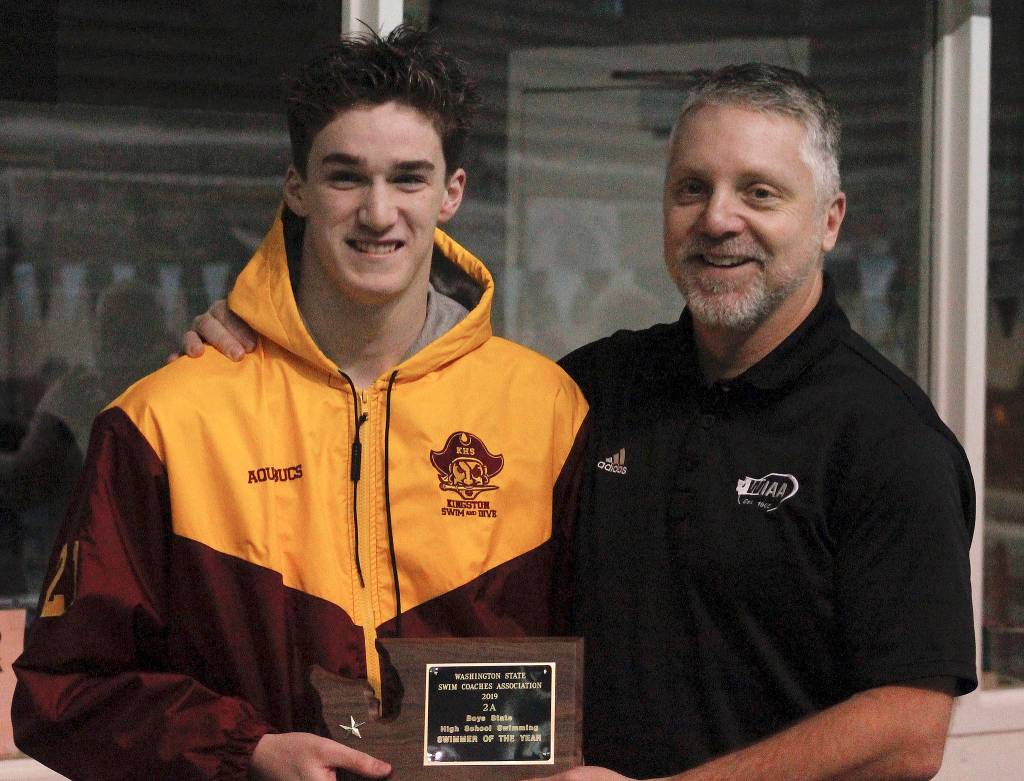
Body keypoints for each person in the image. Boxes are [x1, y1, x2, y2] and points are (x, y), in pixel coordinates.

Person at [190, 63, 977, 780]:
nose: (718, 219)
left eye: (760, 192)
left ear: (831, 219)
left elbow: (908, 729)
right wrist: (270, 341)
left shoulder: (888, 437)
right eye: (691, 188)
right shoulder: (594, 389)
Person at [12, 27, 588, 781]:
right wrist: (242, 749)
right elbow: (63, 691)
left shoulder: (547, 408)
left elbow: (623, 667)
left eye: (409, 178)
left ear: (452, 194)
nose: (378, 213)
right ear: (298, 188)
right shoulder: (168, 421)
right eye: (346, 176)